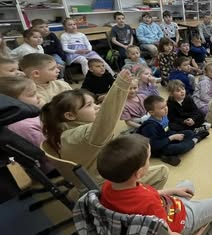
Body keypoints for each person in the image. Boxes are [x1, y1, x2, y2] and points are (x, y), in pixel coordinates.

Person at [40, 69, 168, 188]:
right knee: (161, 171)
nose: (97, 107)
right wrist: (121, 85)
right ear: (69, 115)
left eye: (94, 103)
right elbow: (107, 118)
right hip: (105, 184)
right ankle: (135, 201)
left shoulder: (61, 130)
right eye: (89, 105)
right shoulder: (85, 134)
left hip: (89, 179)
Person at [136, 95, 199, 166]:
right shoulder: (150, 126)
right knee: (179, 148)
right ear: (151, 112)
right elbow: (154, 145)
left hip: (165, 137)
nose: (166, 109)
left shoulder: (164, 115)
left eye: (166, 106)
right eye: (162, 108)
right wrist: (172, 138)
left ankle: (174, 152)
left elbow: (167, 130)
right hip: (156, 147)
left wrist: (173, 135)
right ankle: (194, 140)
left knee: (189, 133)